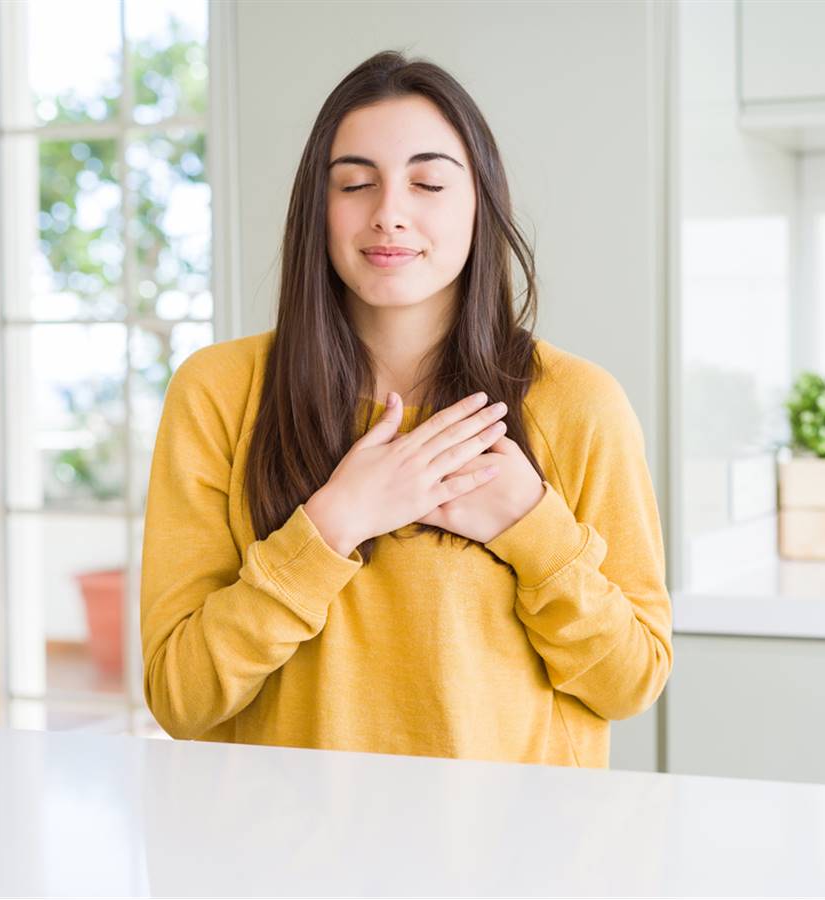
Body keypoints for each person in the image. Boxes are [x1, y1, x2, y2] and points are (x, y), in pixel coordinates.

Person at [140, 50, 673, 768]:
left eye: (428, 183)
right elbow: (181, 696)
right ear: (317, 212)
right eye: (356, 184)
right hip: (286, 866)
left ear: (479, 203)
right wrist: (332, 526)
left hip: (513, 867)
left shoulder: (578, 403)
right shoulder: (218, 392)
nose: (389, 213)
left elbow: (631, 681)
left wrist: (532, 530)